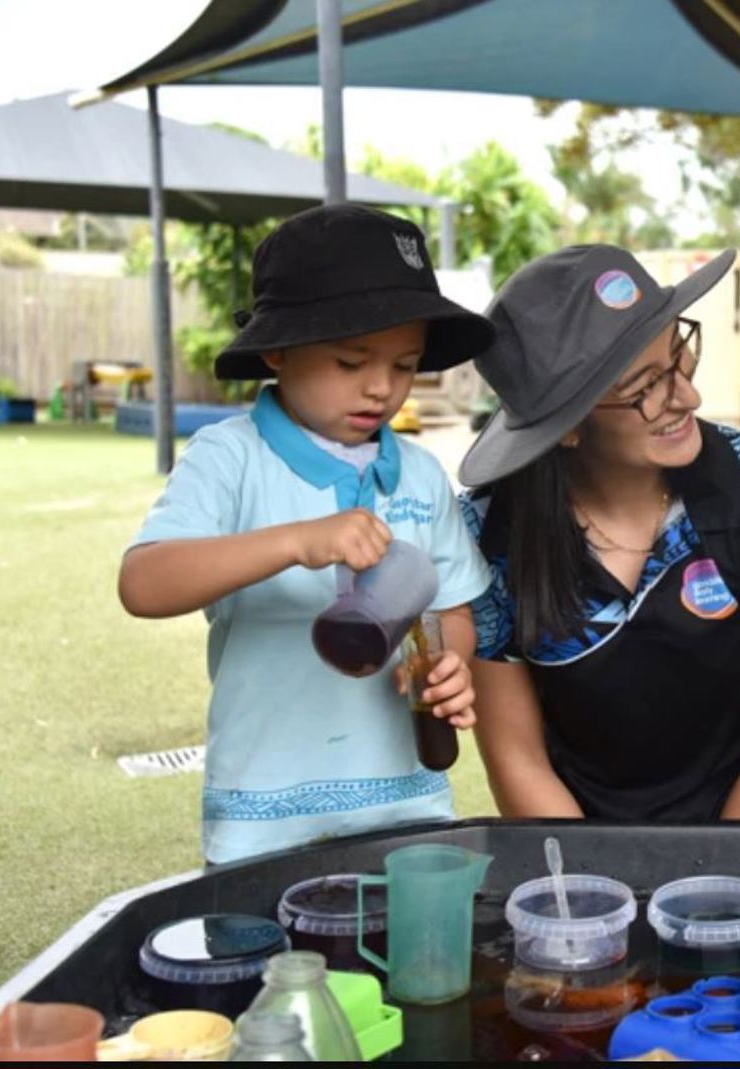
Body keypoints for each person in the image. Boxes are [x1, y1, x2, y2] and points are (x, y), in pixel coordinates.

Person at [118, 204, 494, 864]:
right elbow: (143, 582)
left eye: (405, 365)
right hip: (266, 815)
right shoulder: (229, 458)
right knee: (275, 970)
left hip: (407, 804)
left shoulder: (419, 473)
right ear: (276, 348)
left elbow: (452, 609)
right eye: (351, 361)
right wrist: (296, 540)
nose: (381, 387)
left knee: (410, 967)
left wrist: (449, 663)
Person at [456, 245, 740, 821]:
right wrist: (590, 900)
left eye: (680, 357)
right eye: (644, 386)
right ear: (565, 430)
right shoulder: (488, 535)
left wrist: (715, 893)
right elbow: (517, 760)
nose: (687, 396)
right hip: (585, 859)